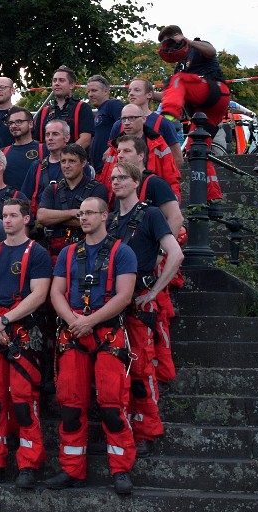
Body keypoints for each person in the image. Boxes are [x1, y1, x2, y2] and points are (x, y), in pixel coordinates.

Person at [47, 195, 137, 494]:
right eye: (81, 213)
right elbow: (56, 292)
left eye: (89, 213)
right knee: (71, 407)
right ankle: (72, 469)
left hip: (107, 333)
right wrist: (74, 319)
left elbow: (124, 296)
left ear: (104, 216)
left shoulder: (123, 253)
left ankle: (121, 469)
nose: (83, 218)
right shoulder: (68, 254)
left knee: (112, 406)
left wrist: (91, 320)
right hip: (73, 333)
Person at [0, 199, 51, 488]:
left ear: (26, 218)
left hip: (23, 334)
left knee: (24, 401)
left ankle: (28, 464)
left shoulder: (37, 253)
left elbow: (39, 294)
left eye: (14, 215)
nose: (7, 220)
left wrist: (5, 321)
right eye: (4, 215)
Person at [109, 162, 184, 457]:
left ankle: (148, 430)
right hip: (114, 303)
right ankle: (124, 429)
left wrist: (155, 290)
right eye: (113, 178)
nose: (116, 182)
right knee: (116, 372)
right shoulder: (112, 219)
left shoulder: (150, 214)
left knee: (140, 369)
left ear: (136, 181)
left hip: (140, 300)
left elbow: (175, 253)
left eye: (122, 178)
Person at [157, 25, 230, 166]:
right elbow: (171, 95)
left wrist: (187, 41)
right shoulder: (180, 66)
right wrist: (148, 94)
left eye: (170, 43)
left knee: (178, 79)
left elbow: (212, 51)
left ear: (178, 36)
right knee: (195, 151)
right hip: (204, 111)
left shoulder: (197, 47)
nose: (170, 49)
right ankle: (208, 184)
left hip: (216, 92)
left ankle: (168, 119)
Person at [37, 144, 111, 263]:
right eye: (63, 161)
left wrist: (55, 218)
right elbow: (41, 217)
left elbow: (95, 222)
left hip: (87, 255)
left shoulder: (97, 189)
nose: (66, 166)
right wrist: (72, 213)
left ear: (83, 163)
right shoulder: (52, 189)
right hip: (55, 254)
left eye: (72, 161)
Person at [99, 105, 182, 201]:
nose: (126, 123)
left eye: (131, 118)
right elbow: (106, 179)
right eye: (124, 119)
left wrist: (173, 200)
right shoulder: (114, 146)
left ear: (143, 119)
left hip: (150, 200)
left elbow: (170, 177)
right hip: (119, 203)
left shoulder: (158, 144)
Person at [115, 135, 184, 236]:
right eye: (118, 151)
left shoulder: (156, 183)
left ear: (141, 156)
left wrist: (163, 249)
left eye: (127, 151)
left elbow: (176, 218)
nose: (120, 155)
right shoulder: (120, 184)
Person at [112, 78, 184, 168]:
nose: (131, 93)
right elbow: (112, 157)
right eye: (129, 90)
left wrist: (161, 180)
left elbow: (178, 159)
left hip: (154, 178)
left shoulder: (163, 123)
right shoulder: (118, 124)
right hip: (125, 178)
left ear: (149, 94)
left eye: (137, 90)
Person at [33, 66, 94, 150]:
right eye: (54, 80)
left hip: (73, 160)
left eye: (61, 80)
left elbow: (85, 139)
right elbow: (36, 141)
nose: (57, 83)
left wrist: (66, 157)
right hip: (47, 160)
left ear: (72, 85)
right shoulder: (44, 111)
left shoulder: (82, 108)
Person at [20, 119, 70, 215]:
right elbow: (25, 199)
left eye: (55, 134)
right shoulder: (36, 166)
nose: (50, 138)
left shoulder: (77, 166)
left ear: (66, 138)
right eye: (47, 135)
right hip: (40, 222)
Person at [87, 75, 125, 172]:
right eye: (88, 91)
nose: (90, 94)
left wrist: (113, 147)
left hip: (111, 167)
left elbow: (127, 127)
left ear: (106, 91)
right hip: (99, 169)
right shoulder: (99, 112)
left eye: (94, 90)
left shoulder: (113, 105)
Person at [2, 107, 45, 188]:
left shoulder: (44, 150)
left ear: (30, 124)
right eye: (11, 123)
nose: (13, 126)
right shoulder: (2, 153)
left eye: (19, 122)